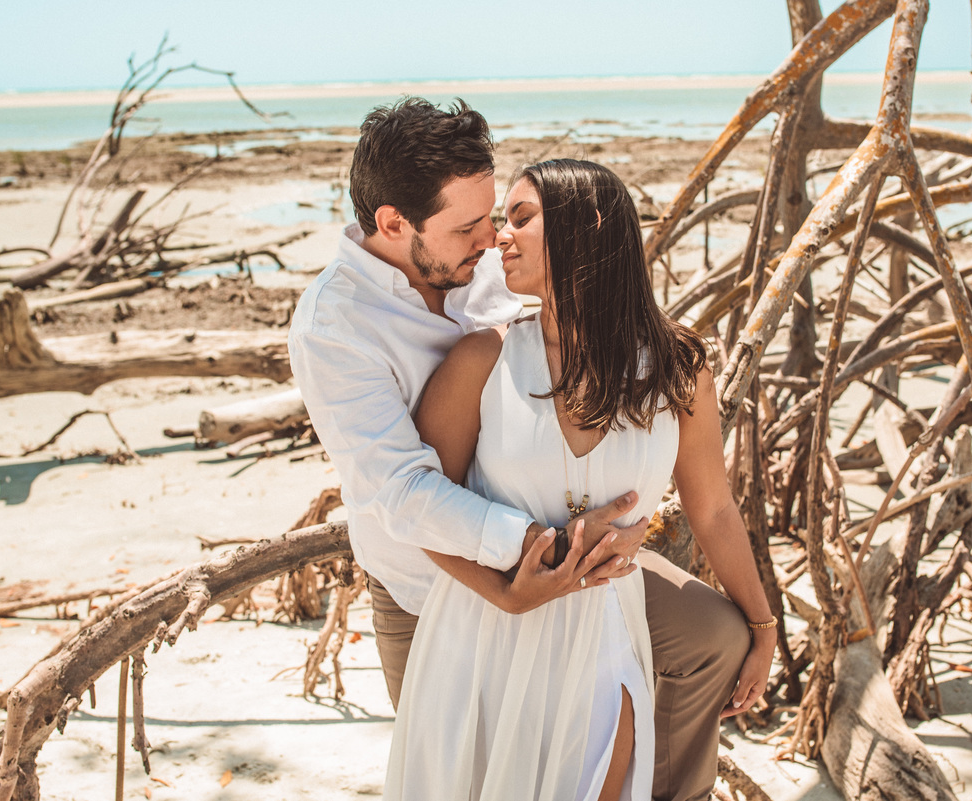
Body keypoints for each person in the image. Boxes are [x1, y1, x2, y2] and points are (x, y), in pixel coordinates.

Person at [289, 98, 771, 801]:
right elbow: (404, 496)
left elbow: (584, 312)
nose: (491, 240)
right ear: (394, 223)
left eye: (501, 217)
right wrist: (543, 555)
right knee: (467, 771)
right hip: (433, 587)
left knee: (708, 640)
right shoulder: (335, 327)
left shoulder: (490, 263)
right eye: (471, 226)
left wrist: (758, 619)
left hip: (585, 580)